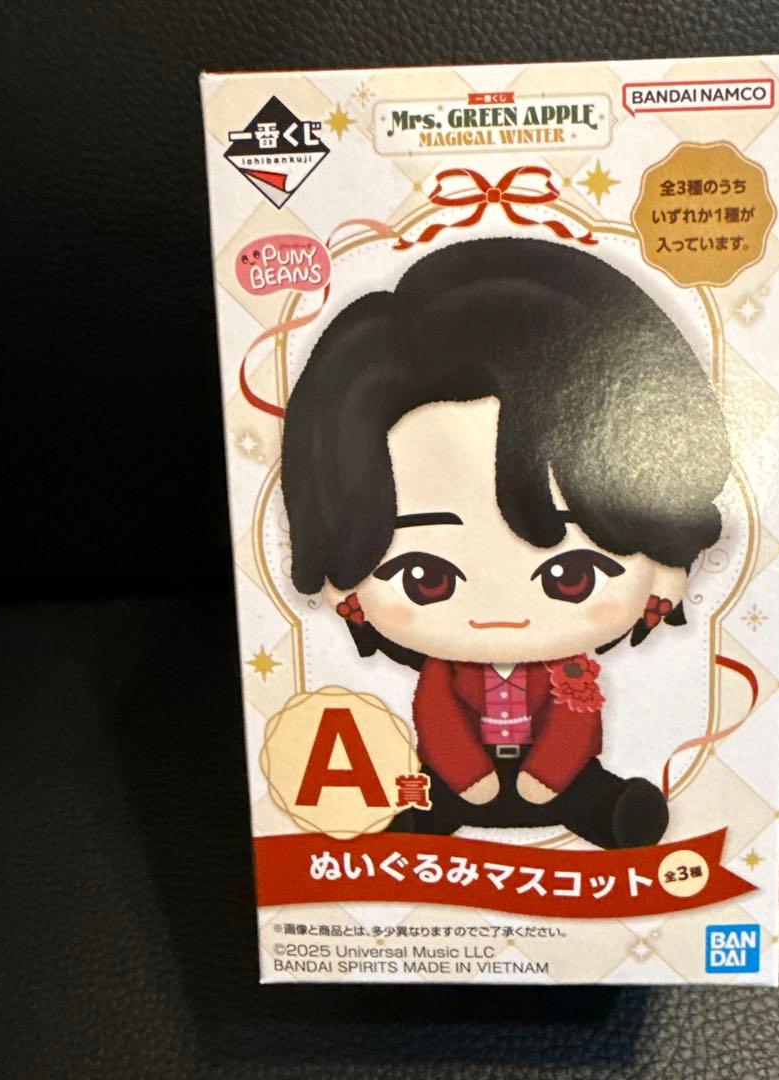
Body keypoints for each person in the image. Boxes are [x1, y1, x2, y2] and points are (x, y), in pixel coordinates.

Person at [281, 237, 731, 848]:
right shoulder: (446, 675)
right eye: (427, 579)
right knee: (426, 799)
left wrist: (548, 777)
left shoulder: (571, 671)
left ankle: (610, 814)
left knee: (591, 795)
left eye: (571, 576)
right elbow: (438, 719)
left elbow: (574, 722)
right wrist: (468, 778)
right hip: (458, 777)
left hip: (560, 777)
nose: (501, 615)